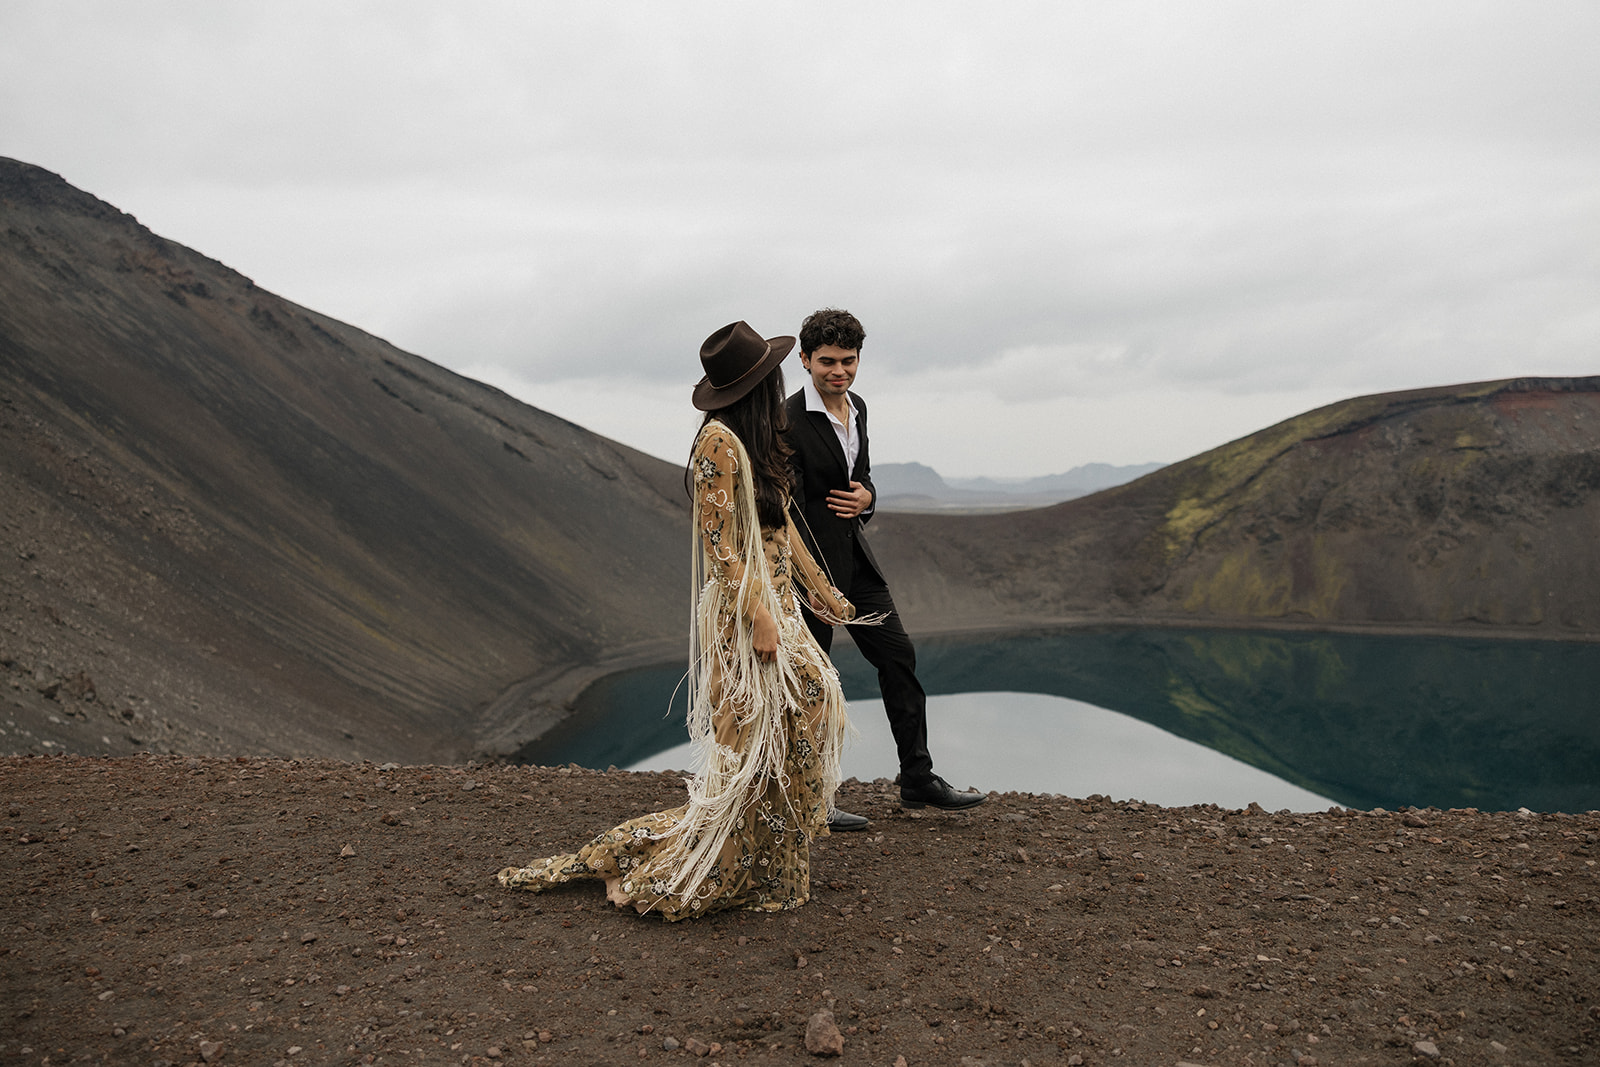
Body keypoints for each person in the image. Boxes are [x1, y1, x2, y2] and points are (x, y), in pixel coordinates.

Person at [497, 321, 863, 919]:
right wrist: (759, 617)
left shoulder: (759, 438)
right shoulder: (718, 445)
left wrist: (824, 593)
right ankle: (680, 868)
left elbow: (780, 524)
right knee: (757, 742)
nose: (780, 386)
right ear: (757, 386)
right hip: (747, 618)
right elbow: (721, 546)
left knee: (805, 721)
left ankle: (769, 864)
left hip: (780, 609)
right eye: (772, 377)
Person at [783, 307, 985, 822]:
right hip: (810, 574)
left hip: (857, 564)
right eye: (827, 361)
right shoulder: (786, 420)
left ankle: (917, 779)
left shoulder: (859, 407)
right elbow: (787, 507)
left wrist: (867, 498)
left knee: (899, 658)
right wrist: (813, 583)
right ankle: (812, 798)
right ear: (804, 360)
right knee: (814, 684)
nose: (839, 372)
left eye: (848, 361)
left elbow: (863, 477)